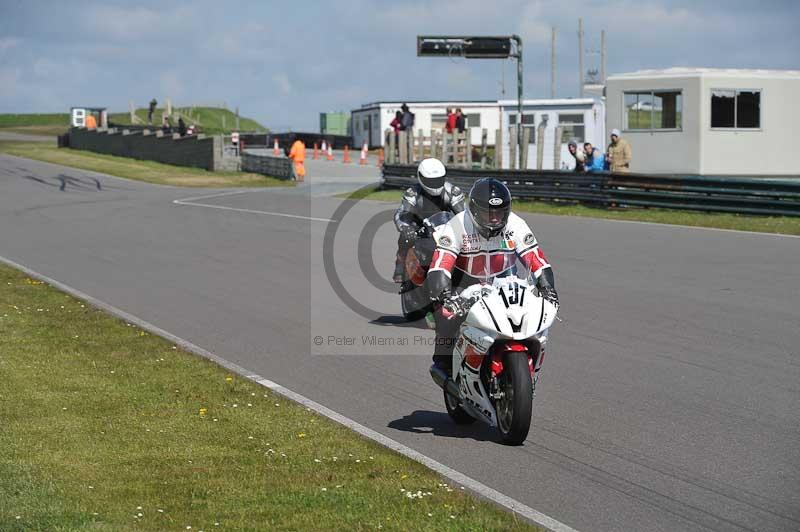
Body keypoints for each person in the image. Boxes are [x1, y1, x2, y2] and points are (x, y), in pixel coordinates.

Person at [426, 178, 558, 374]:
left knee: (524, 316)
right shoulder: (457, 225)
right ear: (474, 210)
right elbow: (440, 265)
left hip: (505, 279)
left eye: (499, 212)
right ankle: (444, 364)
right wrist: (445, 296)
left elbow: (537, 259)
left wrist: (547, 288)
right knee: (447, 317)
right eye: (488, 213)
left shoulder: (516, 224)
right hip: (462, 281)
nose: (495, 218)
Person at [393, 158, 465, 284]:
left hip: (446, 227)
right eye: (431, 181)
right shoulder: (413, 194)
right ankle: (400, 264)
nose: (435, 184)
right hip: (420, 229)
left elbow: (464, 215)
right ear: (421, 177)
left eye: (438, 180)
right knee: (405, 237)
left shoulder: (453, 192)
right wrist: (405, 227)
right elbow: (401, 214)